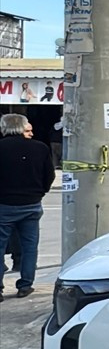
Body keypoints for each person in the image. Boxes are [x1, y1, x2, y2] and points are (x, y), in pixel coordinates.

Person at [0, 114, 54, 301]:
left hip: (4, 204)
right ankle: (25, 285)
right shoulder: (40, 148)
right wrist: (40, 192)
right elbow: (49, 175)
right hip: (31, 203)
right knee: (30, 246)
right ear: (22, 128)